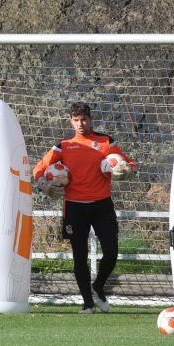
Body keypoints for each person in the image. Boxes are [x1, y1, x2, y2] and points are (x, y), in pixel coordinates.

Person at [33, 102, 137, 314]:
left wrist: (126, 171)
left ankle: (98, 287)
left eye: (84, 120)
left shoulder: (106, 142)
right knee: (79, 257)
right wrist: (44, 185)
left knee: (112, 252)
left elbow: (130, 164)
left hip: (102, 205)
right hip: (74, 207)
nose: (81, 124)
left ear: (90, 119)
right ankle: (88, 304)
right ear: (71, 121)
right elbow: (39, 169)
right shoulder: (63, 145)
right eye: (76, 120)